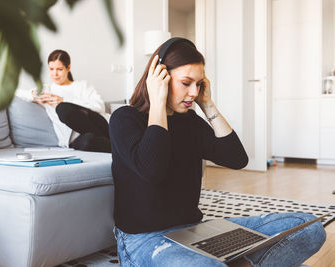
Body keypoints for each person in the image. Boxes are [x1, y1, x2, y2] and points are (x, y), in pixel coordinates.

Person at [109, 38, 326, 267]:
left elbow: (237, 158)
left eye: (199, 84)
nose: (194, 92)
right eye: (186, 83)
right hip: (144, 239)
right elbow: (152, 169)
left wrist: (208, 104)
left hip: (195, 232)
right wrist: (158, 103)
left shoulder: (189, 121)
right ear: (159, 78)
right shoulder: (124, 118)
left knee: (310, 227)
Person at [32, 49, 111, 152]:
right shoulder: (48, 91)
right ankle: (115, 145)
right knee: (88, 141)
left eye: (59, 69)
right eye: (51, 69)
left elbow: (99, 106)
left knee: (63, 107)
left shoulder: (82, 85)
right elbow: (17, 93)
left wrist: (64, 100)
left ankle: (111, 140)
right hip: (76, 139)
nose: (55, 74)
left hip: (99, 125)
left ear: (68, 68)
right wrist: (33, 94)